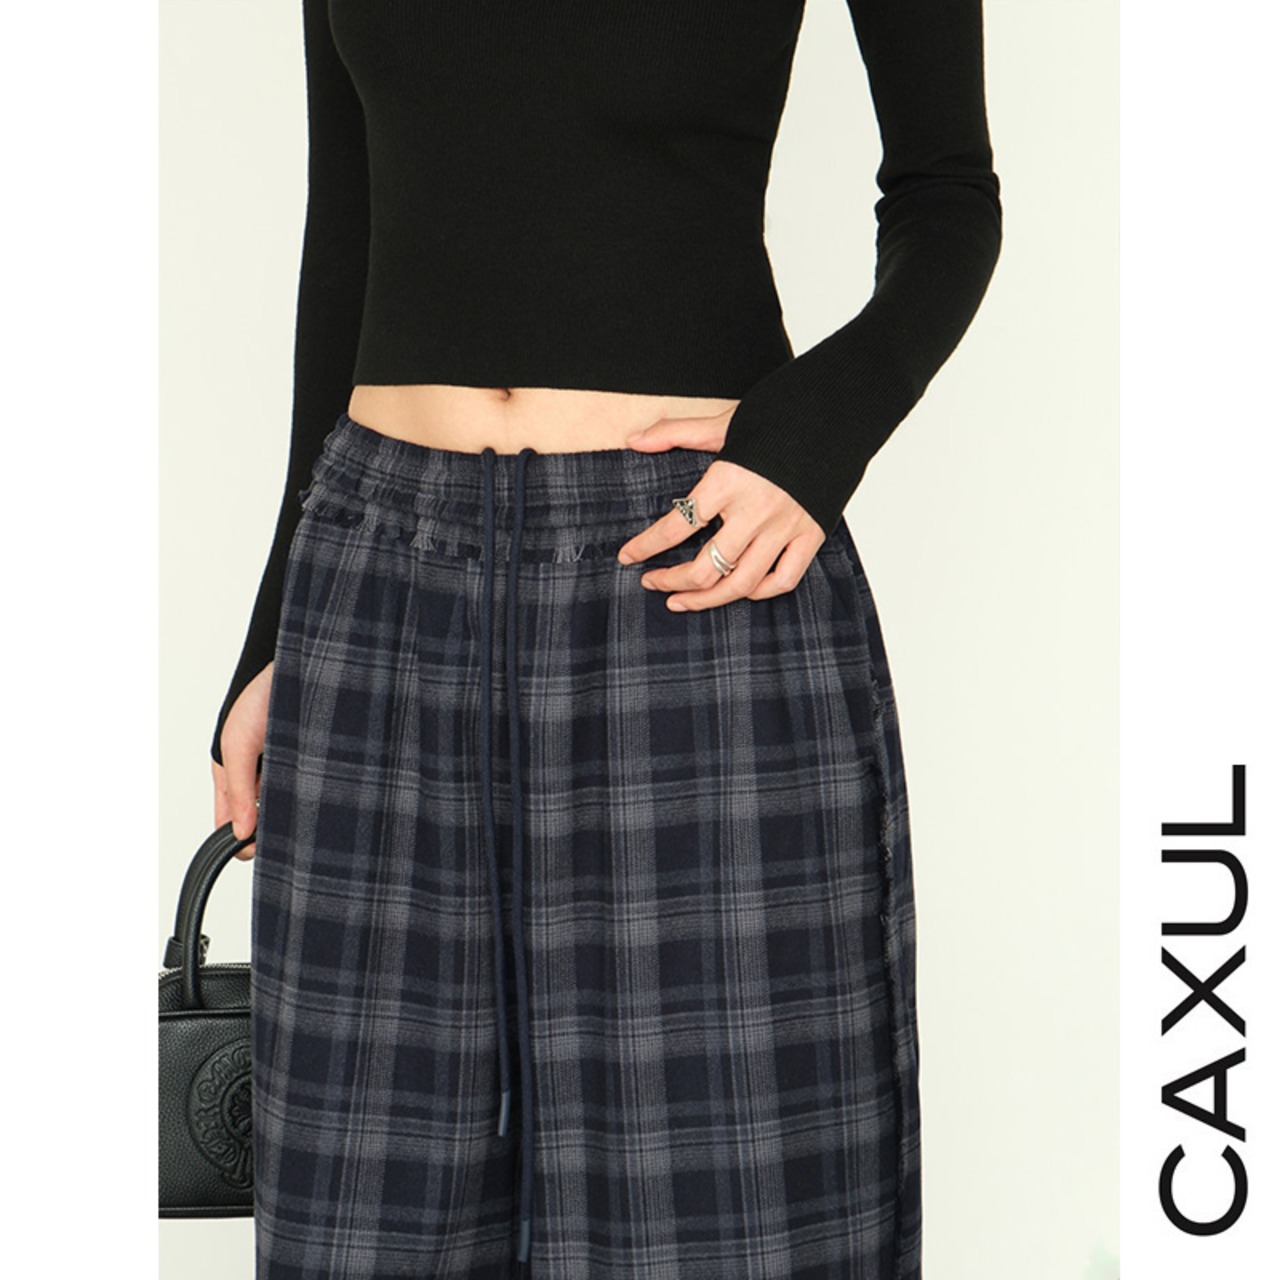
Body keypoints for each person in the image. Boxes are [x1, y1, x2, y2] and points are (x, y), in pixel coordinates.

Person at [209, 1, 1001, 1276]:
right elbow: (346, 226)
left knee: (720, 1216)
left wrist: (814, 436)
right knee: (360, 1215)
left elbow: (946, 192)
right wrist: (270, 638)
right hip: (378, 581)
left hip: (690, 567)